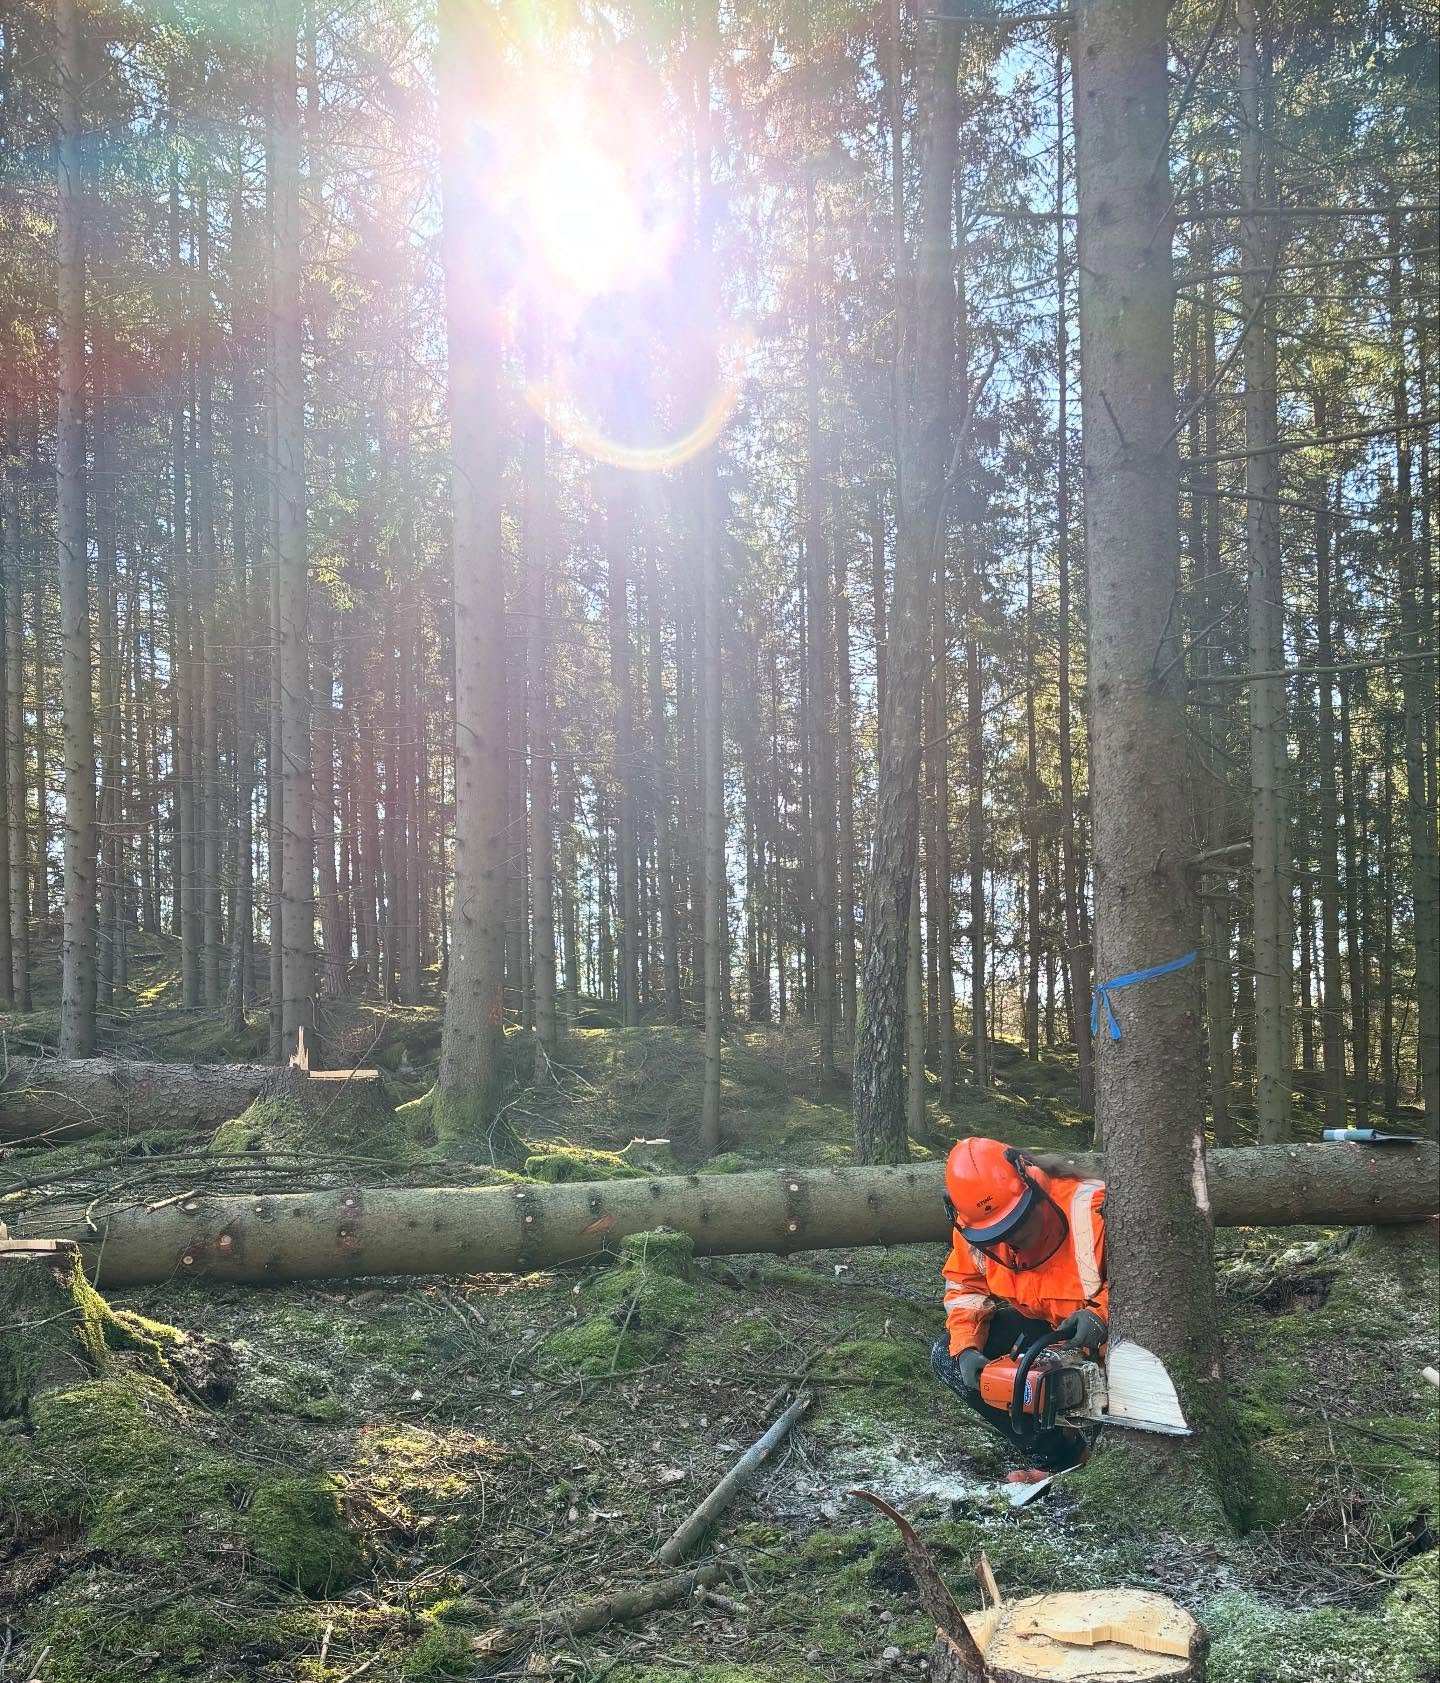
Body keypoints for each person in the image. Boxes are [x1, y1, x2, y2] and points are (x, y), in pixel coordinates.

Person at [931, 1136, 1108, 1479]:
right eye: (998, 1234)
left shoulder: (1091, 1209)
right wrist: (967, 1347)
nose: (1012, 1241)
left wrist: (1101, 1315)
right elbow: (965, 1288)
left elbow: (1146, 1284)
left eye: (1017, 1226)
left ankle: (1105, 1462)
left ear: (1033, 1184)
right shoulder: (975, 1230)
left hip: (1103, 1333)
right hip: (1046, 1327)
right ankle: (1059, 1457)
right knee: (949, 1356)